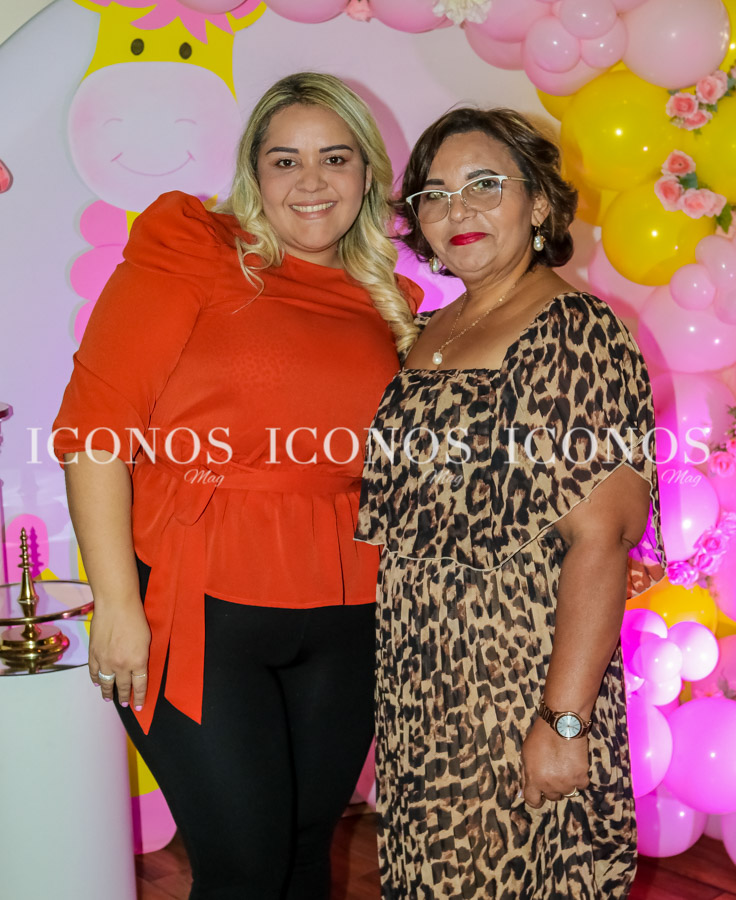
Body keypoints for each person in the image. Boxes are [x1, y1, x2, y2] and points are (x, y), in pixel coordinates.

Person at [52, 72, 421, 900]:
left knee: (302, 857)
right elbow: (95, 434)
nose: (311, 181)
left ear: (367, 172)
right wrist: (116, 607)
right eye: (284, 160)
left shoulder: (384, 300)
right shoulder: (193, 251)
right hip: (196, 608)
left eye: (334, 158)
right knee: (243, 872)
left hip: (347, 611)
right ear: (254, 173)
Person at [354, 107, 666, 899]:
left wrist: (563, 721)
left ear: (539, 203)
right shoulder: (431, 329)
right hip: (423, 677)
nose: (456, 208)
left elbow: (603, 536)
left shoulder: (576, 330)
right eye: (434, 193)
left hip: (516, 677)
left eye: (484, 184)